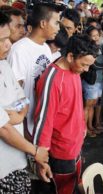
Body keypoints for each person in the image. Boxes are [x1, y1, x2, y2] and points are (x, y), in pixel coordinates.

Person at [33, 34, 98, 193]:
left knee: (72, 185)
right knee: (62, 189)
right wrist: (41, 158)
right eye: (84, 64)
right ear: (70, 56)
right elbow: (43, 120)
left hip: (75, 144)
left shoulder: (74, 72)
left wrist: (82, 125)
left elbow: (75, 104)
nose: (86, 69)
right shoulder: (53, 79)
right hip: (60, 151)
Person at [0, 11, 48, 193]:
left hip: (17, 160)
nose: (8, 44)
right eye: (1, 40)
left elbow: (23, 99)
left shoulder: (4, 64)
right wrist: (35, 151)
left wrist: (18, 115)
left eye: (7, 38)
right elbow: (3, 128)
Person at [7, 2, 63, 140]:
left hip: (38, 118)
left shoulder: (45, 48)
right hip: (26, 123)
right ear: (43, 23)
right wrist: (23, 121)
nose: (58, 28)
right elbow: (14, 92)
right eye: (56, 23)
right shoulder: (19, 50)